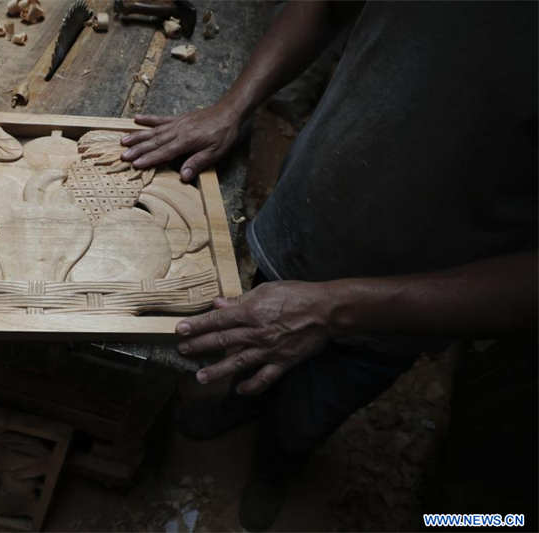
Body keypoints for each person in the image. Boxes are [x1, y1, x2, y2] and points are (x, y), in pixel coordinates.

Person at [120, 2, 537, 530]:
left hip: (402, 307)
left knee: (307, 413)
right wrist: (234, 106)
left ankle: (277, 464)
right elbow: (322, 6)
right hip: (304, 220)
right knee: (251, 347)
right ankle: (239, 407)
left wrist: (332, 310)